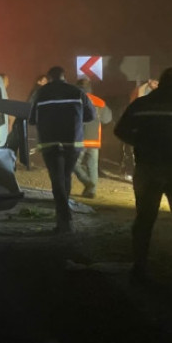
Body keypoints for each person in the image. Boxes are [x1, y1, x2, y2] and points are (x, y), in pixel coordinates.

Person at [114, 67, 172, 285]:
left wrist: (142, 143)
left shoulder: (141, 104)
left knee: (144, 219)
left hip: (147, 168)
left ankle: (140, 267)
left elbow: (120, 131)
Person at [28, 66, 95, 233]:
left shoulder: (40, 93)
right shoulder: (77, 92)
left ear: (50, 77)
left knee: (57, 179)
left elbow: (31, 119)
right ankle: (64, 215)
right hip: (72, 142)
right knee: (66, 177)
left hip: (50, 143)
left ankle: (63, 218)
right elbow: (90, 115)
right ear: (65, 76)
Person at [72, 79, 112, 198]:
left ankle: (87, 182)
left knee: (73, 163)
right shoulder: (99, 102)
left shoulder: (74, 100)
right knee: (92, 166)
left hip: (78, 138)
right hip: (94, 139)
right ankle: (91, 191)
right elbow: (107, 119)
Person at [121, 78, 159, 181]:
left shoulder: (156, 95)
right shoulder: (138, 92)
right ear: (150, 81)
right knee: (130, 151)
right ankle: (129, 172)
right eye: (155, 83)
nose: (157, 85)